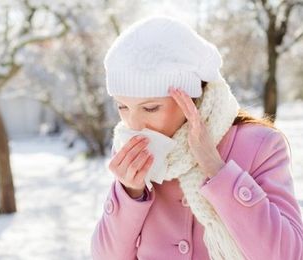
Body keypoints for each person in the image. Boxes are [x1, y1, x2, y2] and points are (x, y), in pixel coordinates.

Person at [91, 16, 303, 260]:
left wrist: (218, 170)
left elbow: (289, 254)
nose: (135, 125)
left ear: (192, 97)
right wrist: (129, 192)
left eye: (150, 108)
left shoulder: (261, 145)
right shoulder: (127, 153)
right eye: (122, 107)